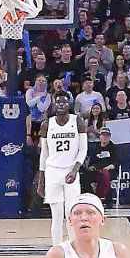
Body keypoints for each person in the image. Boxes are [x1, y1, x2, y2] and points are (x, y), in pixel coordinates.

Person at [37, 90, 86, 245]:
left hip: (71, 171)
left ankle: (74, 247)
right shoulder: (47, 124)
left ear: (69, 104)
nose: (61, 105)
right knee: (56, 216)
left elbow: (83, 149)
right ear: (54, 104)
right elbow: (44, 154)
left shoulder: (77, 121)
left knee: (71, 214)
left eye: (64, 102)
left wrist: (74, 170)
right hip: (52, 171)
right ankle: (57, 249)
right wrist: (41, 180)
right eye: (58, 102)